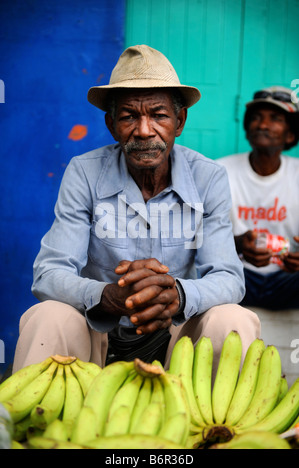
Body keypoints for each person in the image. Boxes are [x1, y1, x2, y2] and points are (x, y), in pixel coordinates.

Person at [12, 45, 260, 378]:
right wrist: (105, 295)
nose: (144, 130)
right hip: (98, 335)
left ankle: (218, 424)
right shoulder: (83, 172)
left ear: (179, 121)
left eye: (158, 115)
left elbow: (229, 278)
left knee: (233, 318)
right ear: (112, 125)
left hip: (174, 336)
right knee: (48, 315)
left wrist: (178, 294)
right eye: (129, 116)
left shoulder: (208, 176)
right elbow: (48, 273)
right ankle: (32, 423)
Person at [218, 86, 299, 310]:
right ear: (247, 129)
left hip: (288, 281)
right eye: (256, 118)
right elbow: (199, 238)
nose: (263, 125)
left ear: (291, 133)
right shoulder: (219, 171)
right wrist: (238, 245)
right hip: (238, 277)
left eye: (275, 119)